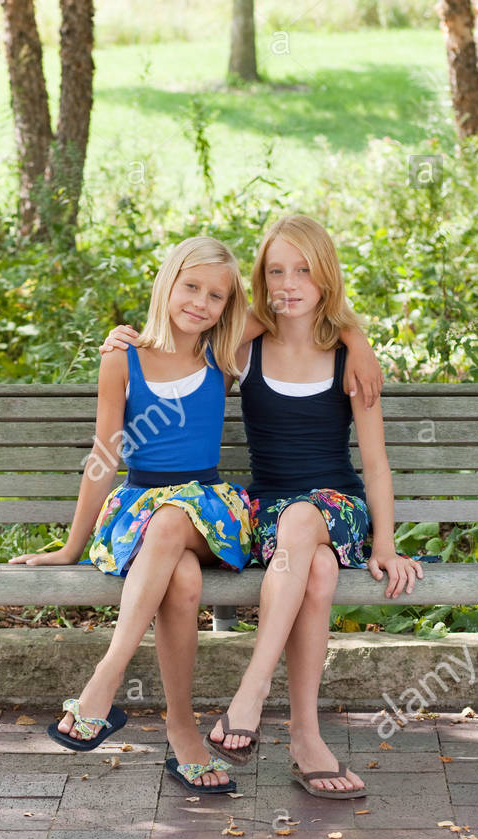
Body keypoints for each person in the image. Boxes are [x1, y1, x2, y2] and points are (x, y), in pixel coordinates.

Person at [104, 215, 418, 798]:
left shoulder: (348, 357)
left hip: (335, 508)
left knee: (307, 523)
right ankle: (304, 737)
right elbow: (178, 345)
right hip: (270, 514)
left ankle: (251, 693)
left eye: (303, 271)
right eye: (276, 271)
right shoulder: (243, 347)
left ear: (326, 277)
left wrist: (385, 544)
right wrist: (127, 341)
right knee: (315, 568)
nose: (289, 283)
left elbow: (374, 464)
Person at [10, 236, 253, 794]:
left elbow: (309, 313)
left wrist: (357, 345)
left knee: (173, 520)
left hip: (210, 509)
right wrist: (70, 547)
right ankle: (181, 729)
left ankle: (105, 680)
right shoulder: (124, 358)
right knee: (183, 579)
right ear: (167, 283)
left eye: (216, 295)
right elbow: (105, 455)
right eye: (190, 286)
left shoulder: (226, 351)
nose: (201, 302)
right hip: (141, 506)